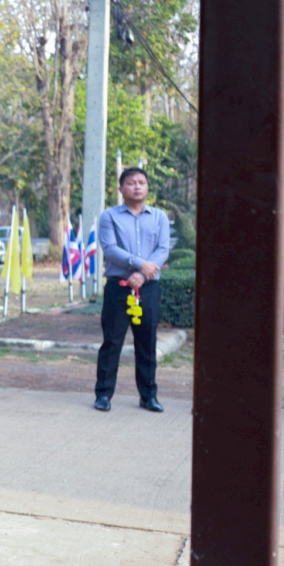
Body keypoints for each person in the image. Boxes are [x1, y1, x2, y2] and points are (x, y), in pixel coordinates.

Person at [94, 167, 171, 413]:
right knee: (112, 342)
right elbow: (110, 248)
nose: (137, 186)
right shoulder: (109, 216)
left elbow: (163, 249)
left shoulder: (159, 217)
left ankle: (148, 396)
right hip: (119, 288)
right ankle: (103, 395)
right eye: (131, 183)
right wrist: (140, 265)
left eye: (141, 182)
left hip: (148, 289)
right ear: (121, 188)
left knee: (147, 343)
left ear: (147, 187)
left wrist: (142, 274)